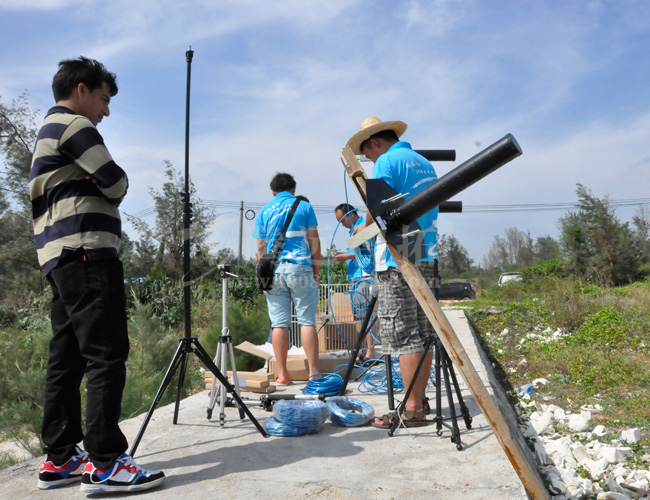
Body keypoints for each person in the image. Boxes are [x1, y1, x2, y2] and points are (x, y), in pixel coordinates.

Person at [29, 57, 165, 492]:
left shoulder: (47, 131)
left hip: (58, 256)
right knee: (106, 353)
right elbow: (116, 183)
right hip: (87, 250)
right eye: (104, 100)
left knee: (66, 358)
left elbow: (100, 184)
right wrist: (100, 183)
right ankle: (106, 461)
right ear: (82, 89)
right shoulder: (73, 127)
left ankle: (62, 456)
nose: (107, 110)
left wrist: (94, 184)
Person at [346, 117, 439, 428]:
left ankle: (411, 407)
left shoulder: (387, 160)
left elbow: (379, 210)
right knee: (424, 332)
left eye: (368, 154)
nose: (370, 160)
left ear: (374, 142)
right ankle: (419, 401)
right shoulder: (424, 163)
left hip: (398, 255)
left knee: (403, 333)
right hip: (426, 251)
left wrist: (359, 231)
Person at [254, 173, 322, 384]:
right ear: (293, 189)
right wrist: (316, 272)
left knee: (279, 325)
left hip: (274, 272)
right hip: (300, 267)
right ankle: (314, 373)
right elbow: (314, 240)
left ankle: (283, 374)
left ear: (273, 192)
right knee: (307, 321)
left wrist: (264, 276)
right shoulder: (303, 206)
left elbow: (260, 247)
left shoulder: (264, 211)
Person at [333, 203, 376, 361]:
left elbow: (369, 250)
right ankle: (365, 350)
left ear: (351, 214)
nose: (342, 225)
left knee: (366, 315)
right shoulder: (354, 230)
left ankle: (370, 351)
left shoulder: (363, 226)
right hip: (356, 277)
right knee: (360, 317)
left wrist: (346, 257)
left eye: (342, 220)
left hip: (363, 276)